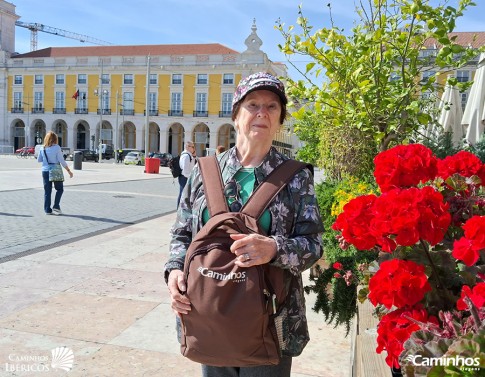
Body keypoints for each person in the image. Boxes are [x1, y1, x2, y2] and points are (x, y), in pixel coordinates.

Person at [164, 72, 324, 377]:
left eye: (272, 106)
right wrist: (174, 271)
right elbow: (182, 232)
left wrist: (274, 249)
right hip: (209, 316)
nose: (262, 112)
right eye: (253, 104)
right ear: (236, 115)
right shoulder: (204, 171)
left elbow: (313, 245)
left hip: (269, 322)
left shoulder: (295, 177)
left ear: (280, 121)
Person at [37, 131, 73, 215]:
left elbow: (39, 160)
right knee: (59, 189)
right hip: (55, 170)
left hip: (45, 170)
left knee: (47, 191)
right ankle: (56, 206)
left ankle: (47, 210)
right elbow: (61, 160)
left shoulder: (42, 148)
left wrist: (47, 159)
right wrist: (69, 171)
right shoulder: (57, 147)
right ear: (55, 139)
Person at [176, 141, 196, 208]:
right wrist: (190, 177)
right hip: (184, 177)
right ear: (187, 147)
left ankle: (181, 208)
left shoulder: (189, 155)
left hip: (186, 177)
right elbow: (185, 170)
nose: (194, 148)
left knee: (184, 193)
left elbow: (192, 166)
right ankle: (179, 208)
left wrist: (194, 156)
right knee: (182, 194)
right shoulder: (186, 156)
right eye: (192, 147)